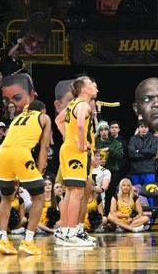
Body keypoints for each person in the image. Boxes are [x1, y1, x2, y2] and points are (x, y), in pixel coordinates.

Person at [0, 95, 52, 255]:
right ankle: (28, 241)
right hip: (21, 153)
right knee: (39, 196)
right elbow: (45, 146)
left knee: (6, 198)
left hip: (2, 153)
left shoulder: (18, 118)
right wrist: (40, 170)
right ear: (43, 110)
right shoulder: (44, 117)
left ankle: (2, 239)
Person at [55, 76, 97, 247]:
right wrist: (80, 144)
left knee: (72, 192)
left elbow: (58, 120)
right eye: (91, 84)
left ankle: (67, 231)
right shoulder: (83, 105)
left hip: (68, 148)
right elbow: (80, 125)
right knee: (76, 193)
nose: (95, 87)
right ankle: (71, 232)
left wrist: (67, 137)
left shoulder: (72, 103)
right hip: (75, 151)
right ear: (83, 89)